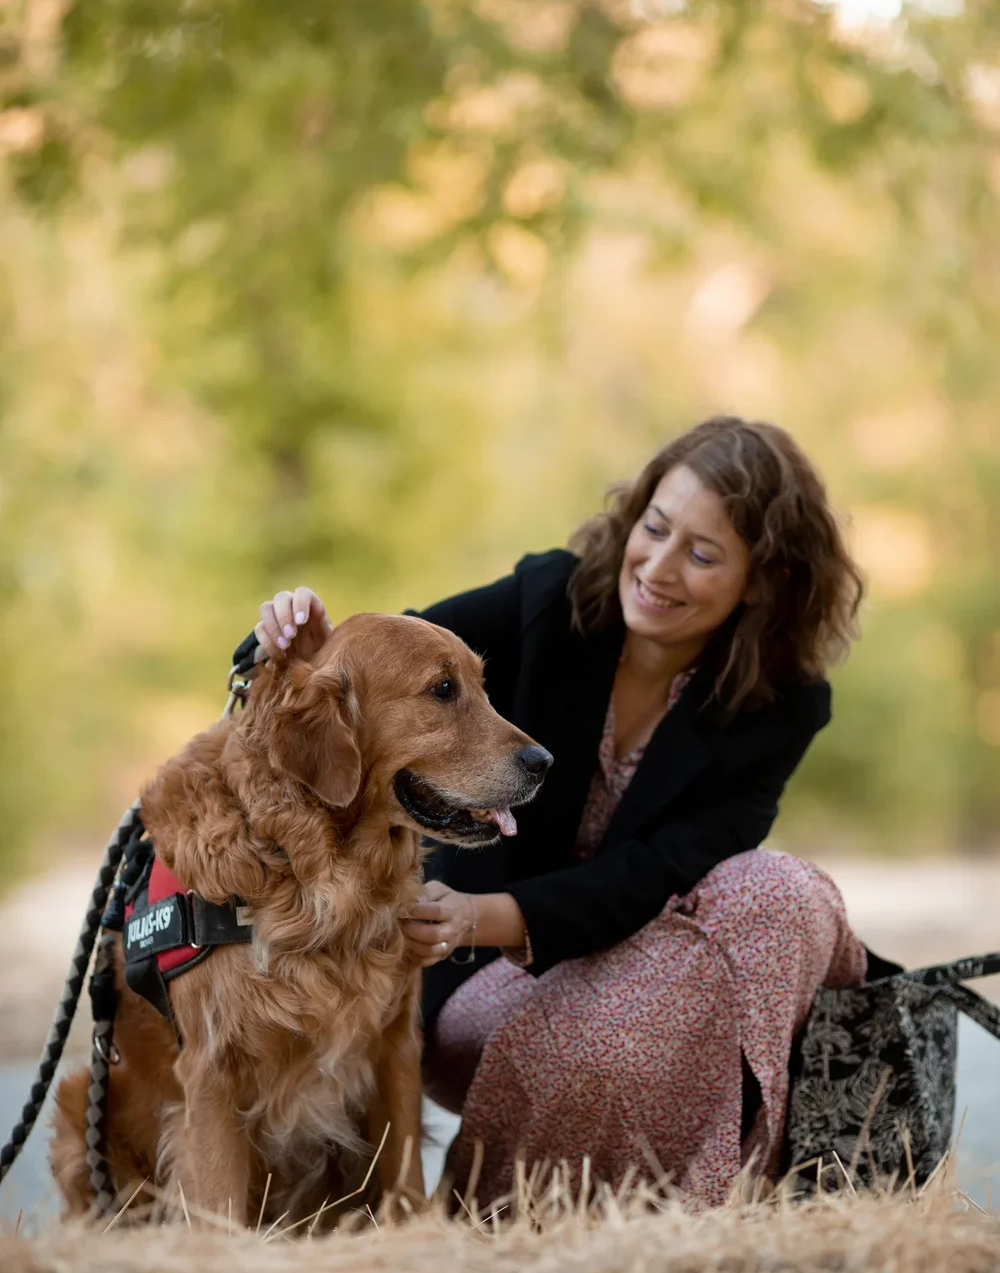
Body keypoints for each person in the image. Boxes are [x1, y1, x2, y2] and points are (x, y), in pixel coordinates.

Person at [250, 415, 867, 1206]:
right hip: (481, 989)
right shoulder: (550, 599)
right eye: (655, 527)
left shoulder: (783, 706)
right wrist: (290, 638)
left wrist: (487, 913)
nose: (660, 566)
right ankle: (498, 1213)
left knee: (780, 892)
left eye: (703, 553)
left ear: (763, 582)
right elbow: (375, 668)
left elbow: (665, 868)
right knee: (622, 1030)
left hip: (643, 963)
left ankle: (710, 1210)